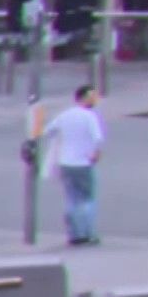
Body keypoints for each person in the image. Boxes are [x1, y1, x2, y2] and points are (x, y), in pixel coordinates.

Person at [45, 84, 105, 245]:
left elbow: (48, 131)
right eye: (92, 96)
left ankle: (73, 234)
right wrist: (95, 153)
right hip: (83, 163)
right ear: (82, 98)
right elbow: (98, 138)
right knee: (87, 199)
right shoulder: (89, 116)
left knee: (72, 199)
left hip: (65, 163)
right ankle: (87, 233)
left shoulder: (65, 115)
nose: (95, 99)